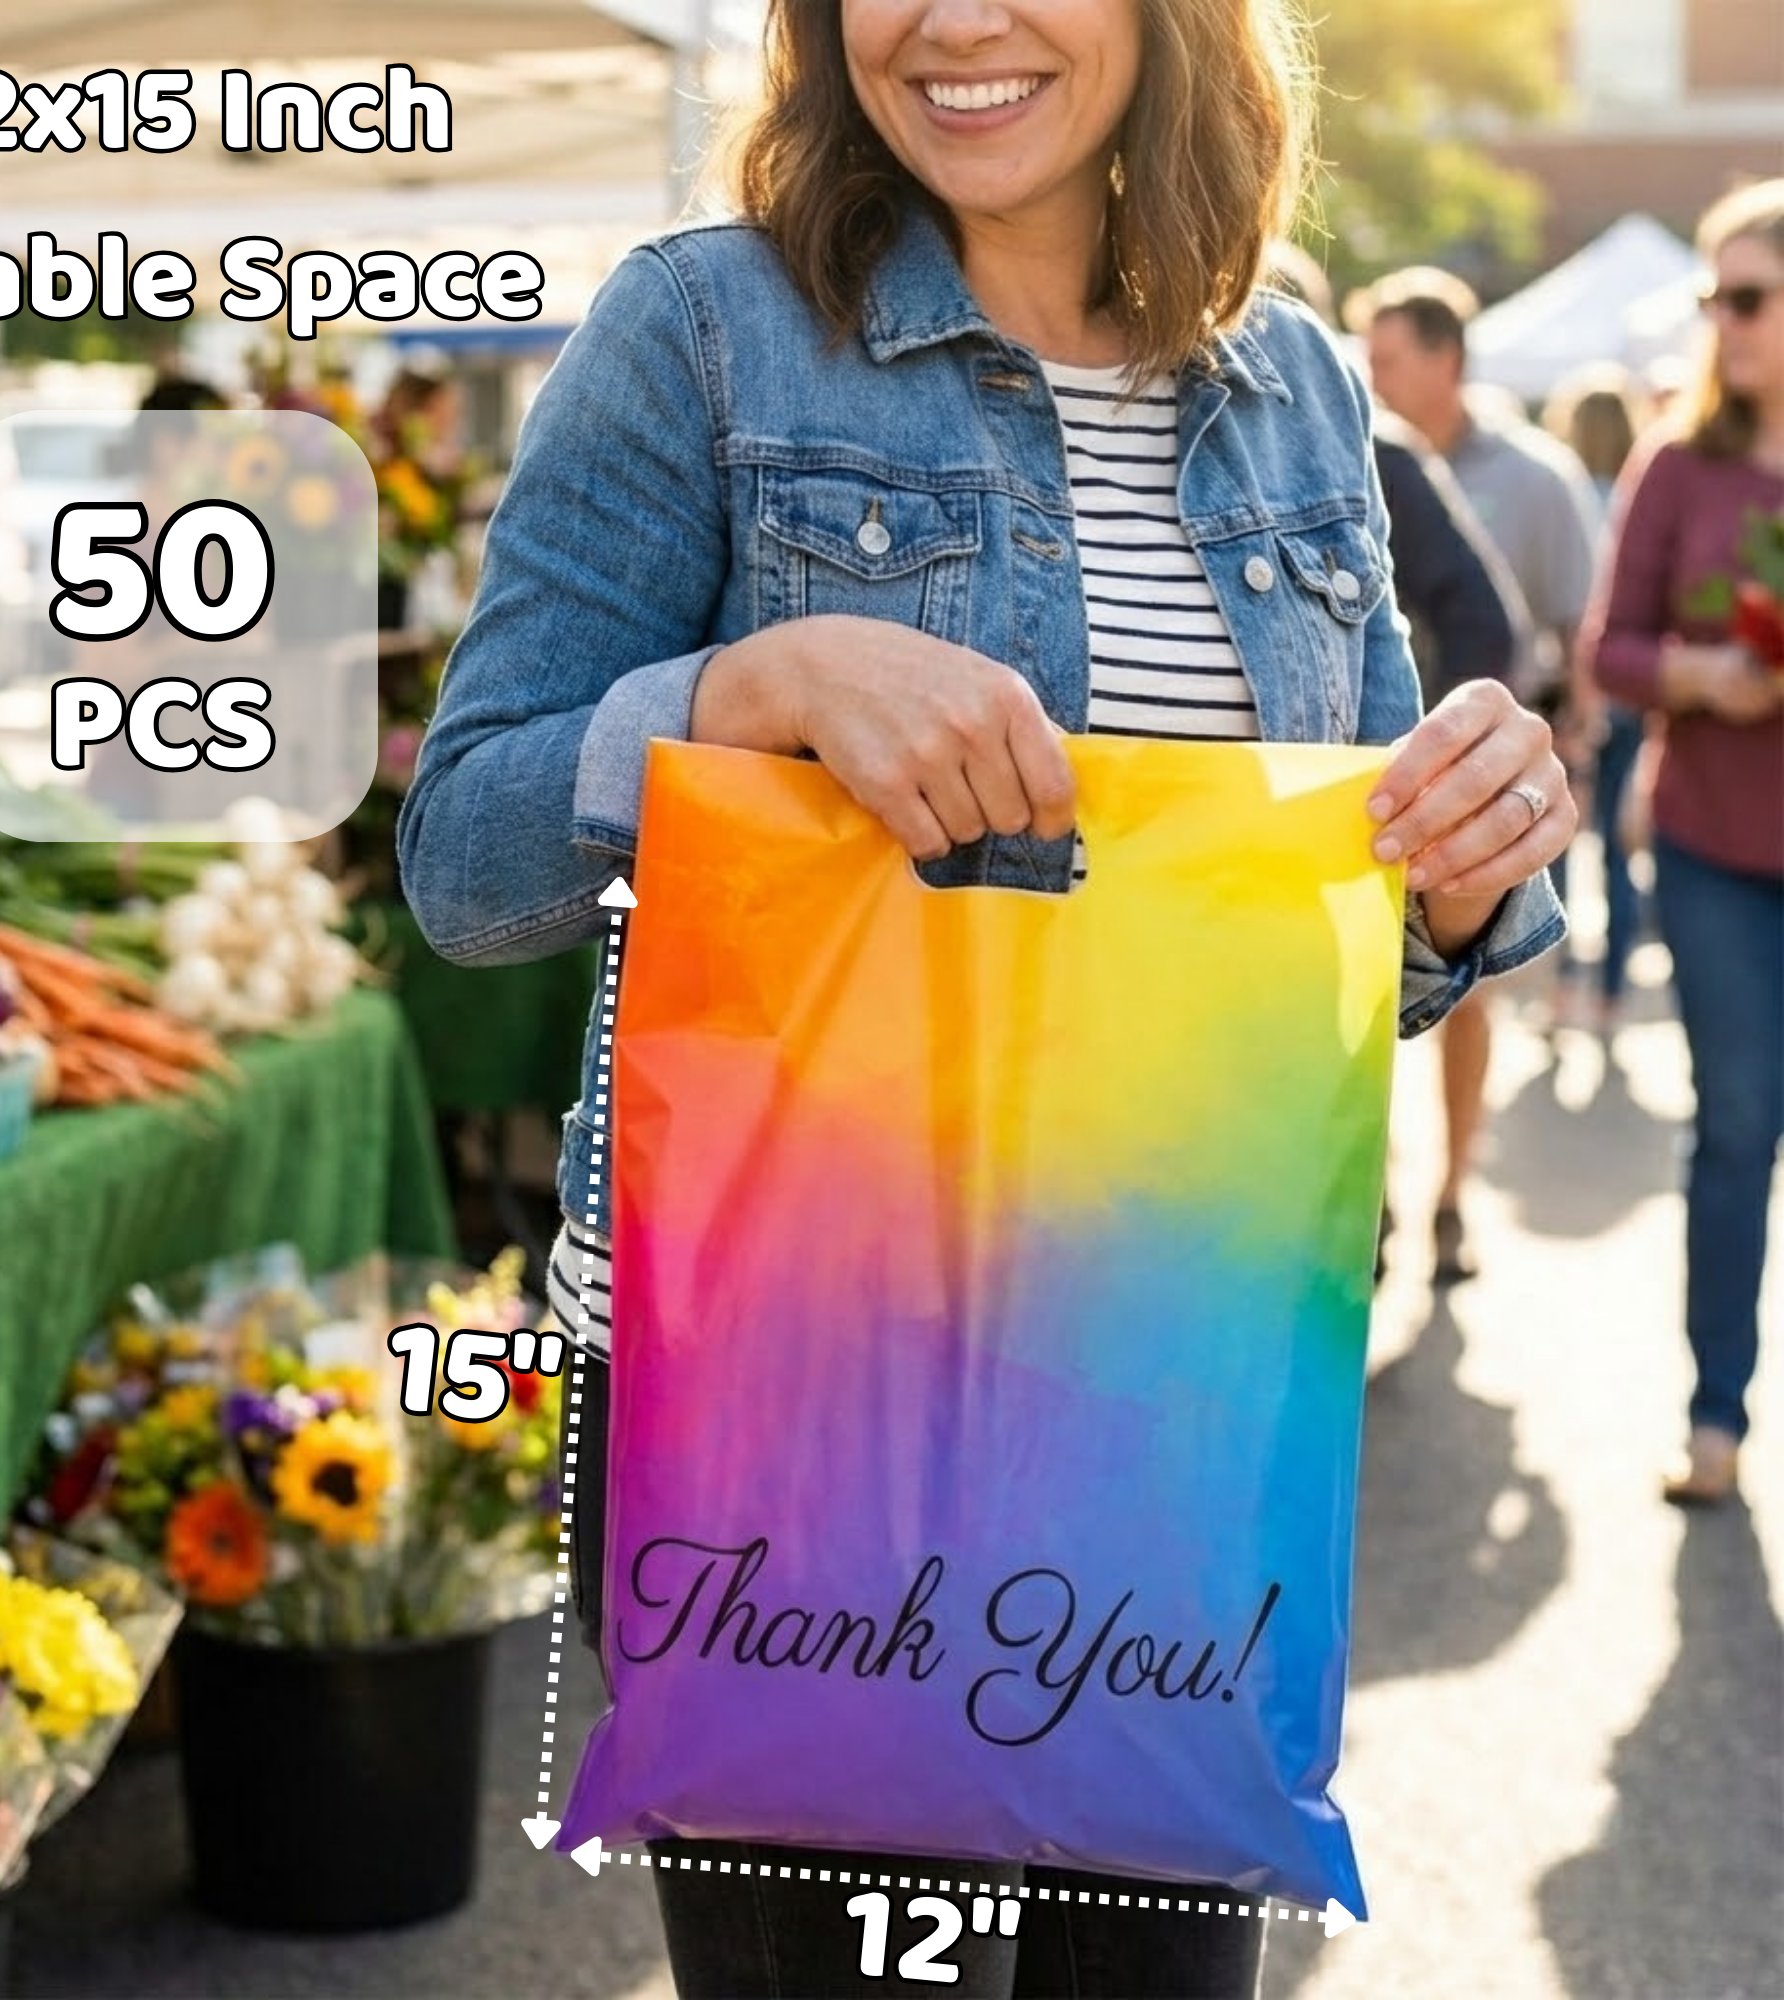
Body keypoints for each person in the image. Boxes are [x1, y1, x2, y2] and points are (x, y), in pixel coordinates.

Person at [400, 4, 1570, 1993]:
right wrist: (737, 699)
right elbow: (465, 863)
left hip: (1181, 1394)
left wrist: (1469, 856)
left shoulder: (1290, 377)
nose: (946, 19)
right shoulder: (701, 327)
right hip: (779, 1399)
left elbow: (1343, 956)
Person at [1583, 178, 1784, 1508]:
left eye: (1751, 295)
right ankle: (1716, 1413)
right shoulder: (1676, 458)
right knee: (1738, 1128)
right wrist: (1700, 677)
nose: (1726, 317)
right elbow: (1606, 647)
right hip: (1715, 853)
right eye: (1715, 294)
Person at [1348, 265, 1600, 1283]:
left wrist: (1466, 748)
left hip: (1463, 786)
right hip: (1373, 800)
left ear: (1443, 358)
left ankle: (1452, 1191)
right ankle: (1375, 1197)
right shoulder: (1366, 448)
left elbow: (1535, 620)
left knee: (1462, 994)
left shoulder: (1525, 474)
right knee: (1364, 1027)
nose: (1370, 376)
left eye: (1386, 359)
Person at [1546, 364, 1645, 1033]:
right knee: (1615, 853)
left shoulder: (1567, 495)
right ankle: (1610, 997)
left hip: (1574, 695)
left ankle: (1560, 990)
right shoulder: (1635, 498)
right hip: (1629, 701)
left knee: (1556, 843)